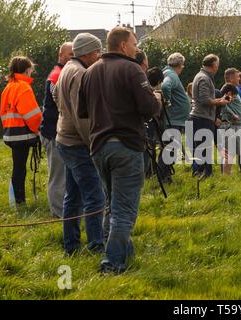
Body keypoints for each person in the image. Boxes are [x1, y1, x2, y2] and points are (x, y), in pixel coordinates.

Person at [78, 27, 160, 274]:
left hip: (98, 147)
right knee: (124, 211)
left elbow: (83, 112)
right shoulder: (132, 68)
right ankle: (111, 264)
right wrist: (157, 99)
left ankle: (124, 252)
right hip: (126, 145)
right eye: (134, 44)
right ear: (124, 45)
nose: (136, 48)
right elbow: (148, 108)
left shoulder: (90, 72)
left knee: (113, 205)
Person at [54, 33, 105, 256]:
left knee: (72, 196)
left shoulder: (67, 68)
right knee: (95, 195)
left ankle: (71, 245)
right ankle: (96, 246)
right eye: (97, 51)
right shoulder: (81, 73)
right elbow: (81, 116)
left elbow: (57, 97)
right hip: (77, 143)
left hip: (64, 138)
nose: (100, 55)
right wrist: (94, 143)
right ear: (87, 52)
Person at [0, 56, 42, 206]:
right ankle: (19, 202)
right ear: (26, 69)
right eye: (31, 69)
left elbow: (3, 113)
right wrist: (39, 131)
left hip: (10, 133)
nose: (32, 71)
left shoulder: (8, 87)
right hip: (22, 134)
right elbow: (32, 115)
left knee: (18, 167)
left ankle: (17, 201)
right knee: (19, 169)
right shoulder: (23, 87)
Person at [39, 42, 73, 218]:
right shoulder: (56, 75)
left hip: (57, 131)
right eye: (69, 54)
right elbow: (60, 102)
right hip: (52, 133)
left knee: (64, 175)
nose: (72, 57)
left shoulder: (62, 73)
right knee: (58, 176)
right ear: (61, 55)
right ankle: (58, 214)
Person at [189, 54, 230, 178]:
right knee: (204, 148)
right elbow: (204, 100)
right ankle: (204, 175)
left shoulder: (202, 76)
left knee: (202, 148)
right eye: (217, 64)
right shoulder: (204, 78)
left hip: (201, 117)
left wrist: (218, 100)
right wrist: (220, 101)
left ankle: (203, 174)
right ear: (214, 65)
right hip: (202, 117)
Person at [162, 53, 191, 131]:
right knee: (173, 143)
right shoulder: (172, 75)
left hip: (173, 120)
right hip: (173, 121)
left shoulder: (167, 72)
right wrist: (167, 102)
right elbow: (165, 86)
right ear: (180, 65)